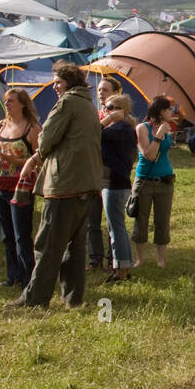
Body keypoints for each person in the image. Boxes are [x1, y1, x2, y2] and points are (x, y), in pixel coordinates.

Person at [7, 62, 103, 309]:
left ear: (68, 82)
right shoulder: (89, 105)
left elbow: (46, 137)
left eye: (58, 82)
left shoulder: (67, 103)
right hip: (87, 183)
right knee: (75, 245)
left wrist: (37, 154)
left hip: (65, 184)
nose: (55, 87)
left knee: (49, 243)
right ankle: (73, 298)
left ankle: (35, 299)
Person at [0, 88, 41, 289]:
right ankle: (13, 275)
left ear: (23, 104)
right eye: (6, 101)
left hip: (21, 187)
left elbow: (39, 158)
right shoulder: (1, 125)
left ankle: (28, 278)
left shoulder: (33, 128)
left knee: (21, 234)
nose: (7, 104)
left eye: (11, 101)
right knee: (7, 234)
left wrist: (13, 160)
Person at [132, 95, 177, 268]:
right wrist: (158, 136)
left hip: (165, 181)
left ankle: (160, 259)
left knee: (162, 220)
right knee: (141, 219)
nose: (171, 112)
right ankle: (140, 258)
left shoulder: (167, 128)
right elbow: (149, 155)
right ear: (159, 111)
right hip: (145, 181)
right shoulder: (142, 128)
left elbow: (163, 152)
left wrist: (164, 133)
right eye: (168, 109)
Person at [85, 77, 122, 269]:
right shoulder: (95, 115)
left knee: (111, 219)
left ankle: (112, 258)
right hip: (93, 171)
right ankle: (94, 258)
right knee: (92, 219)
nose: (101, 93)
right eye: (99, 90)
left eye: (105, 90)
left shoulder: (120, 119)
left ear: (116, 92)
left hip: (111, 173)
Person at [100, 93, 137, 282]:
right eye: (106, 107)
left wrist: (108, 119)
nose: (107, 111)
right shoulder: (122, 128)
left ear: (122, 110)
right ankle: (122, 267)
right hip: (116, 182)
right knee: (116, 226)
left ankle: (122, 270)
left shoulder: (120, 128)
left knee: (116, 227)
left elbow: (94, 132)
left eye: (111, 107)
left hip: (114, 184)